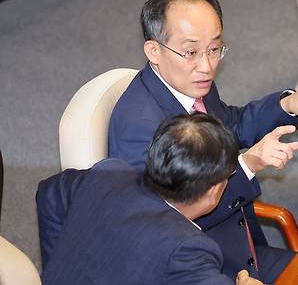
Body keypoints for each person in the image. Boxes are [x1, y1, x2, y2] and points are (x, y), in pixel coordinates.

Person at [108, 0, 298, 283]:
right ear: (154, 51)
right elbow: (167, 223)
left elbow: (230, 126)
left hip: (241, 246)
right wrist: (247, 166)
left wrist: (289, 104)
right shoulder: (140, 129)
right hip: (202, 268)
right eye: (191, 52)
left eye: (215, 49)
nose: (207, 66)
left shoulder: (188, 80)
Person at [38, 113, 262, 284]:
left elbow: (48, 193)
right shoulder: (188, 251)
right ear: (213, 190)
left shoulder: (108, 173)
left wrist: (56, 259)